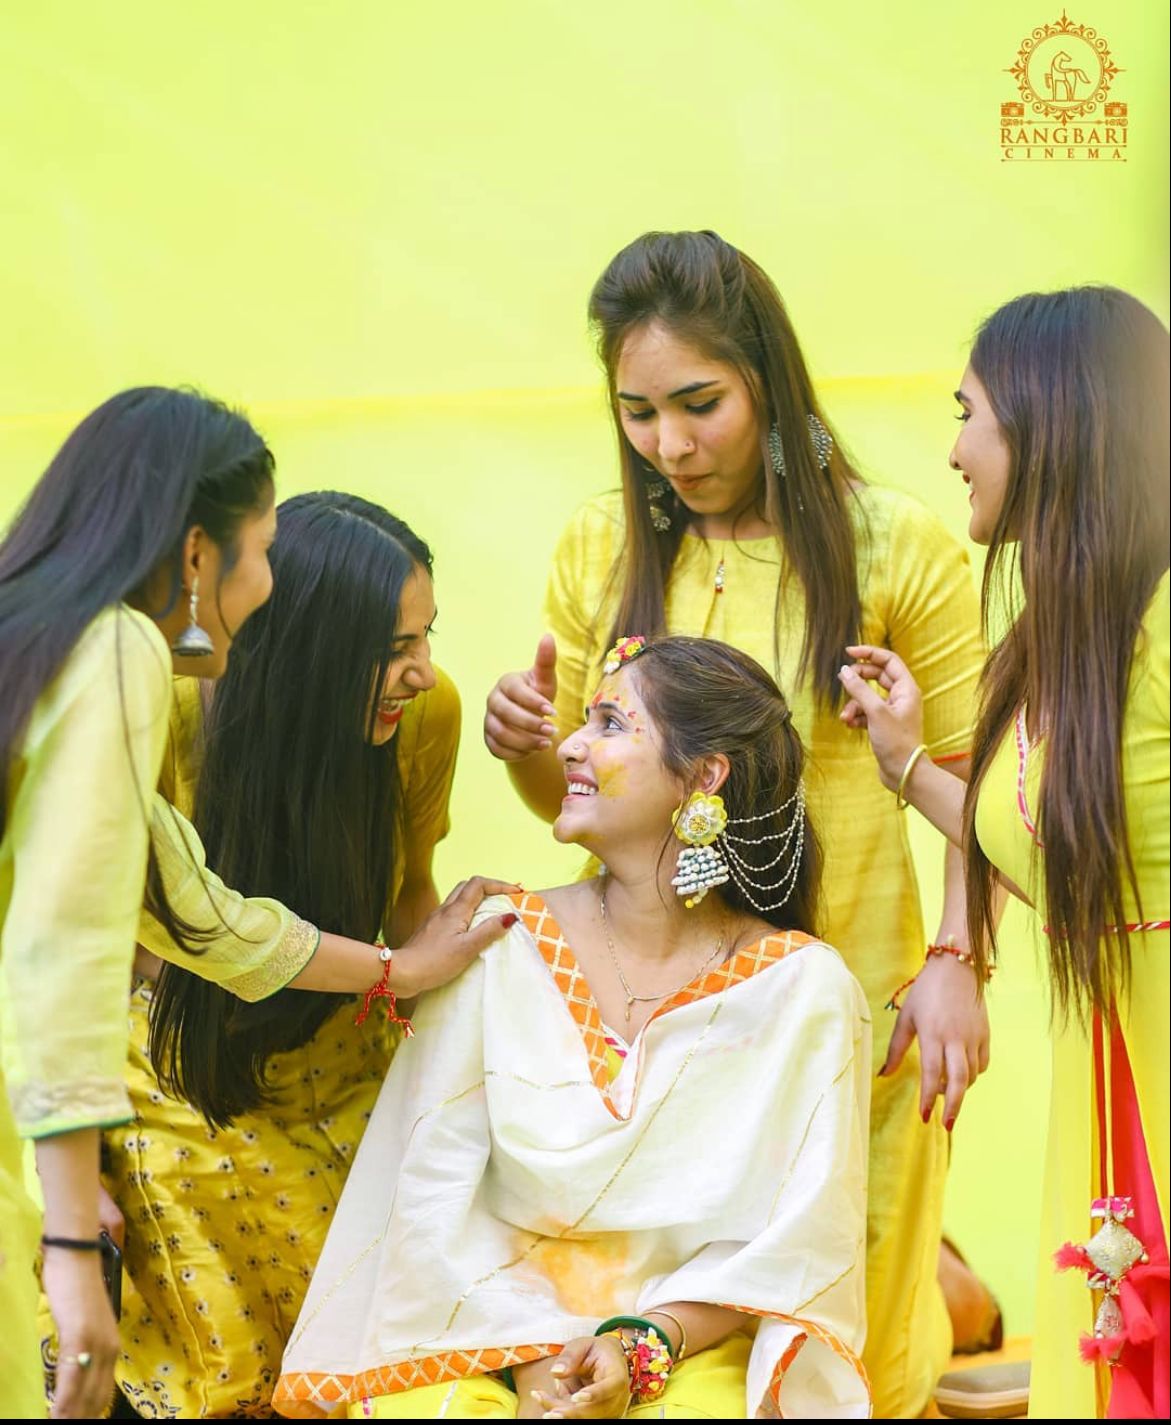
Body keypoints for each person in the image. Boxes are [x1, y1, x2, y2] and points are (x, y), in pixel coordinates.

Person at [483, 230, 991, 1413]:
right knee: (668, 1350)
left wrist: (958, 960)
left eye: (699, 404)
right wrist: (528, 750)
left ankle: (941, 1300)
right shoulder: (602, 545)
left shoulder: (892, 545)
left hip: (856, 1013)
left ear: (766, 378)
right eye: (638, 413)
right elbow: (575, 805)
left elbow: (974, 792)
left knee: (850, 1359)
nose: (669, 446)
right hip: (657, 1032)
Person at [0, 389, 513, 1421]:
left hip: (304, 1044)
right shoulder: (129, 661)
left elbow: (196, 912)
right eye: (264, 548)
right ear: (199, 554)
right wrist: (69, 1231)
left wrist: (410, 977)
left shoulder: (64, 642)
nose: (268, 583)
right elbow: (72, 953)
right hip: (155, 1064)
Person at [276, 634, 871, 1420]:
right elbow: (428, 1200)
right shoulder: (499, 940)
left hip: (686, 1347)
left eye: (610, 724)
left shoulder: (801, 988)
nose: (569, 745)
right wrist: (539, 1369)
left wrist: (637, 1348)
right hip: (475, 1335)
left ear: (704, 776)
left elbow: (795, 1247)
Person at [838, 286, 1169, 1419]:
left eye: (966, 414)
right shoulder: (1061, 635)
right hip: (1113, 1075)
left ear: (1049, 419)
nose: (952, 450)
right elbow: (1075, 874)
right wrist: (904, 766)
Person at [96, 492, 462, 1418]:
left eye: (427, 635)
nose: (422, 671)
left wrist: (459, 1040)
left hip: (350, 1049)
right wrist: (79, 1169)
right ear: (304, 646)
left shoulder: (427, 715)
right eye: (393, 647)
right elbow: (143, 945)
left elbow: (410, 894)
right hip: (181, 1064)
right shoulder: (167, 718)